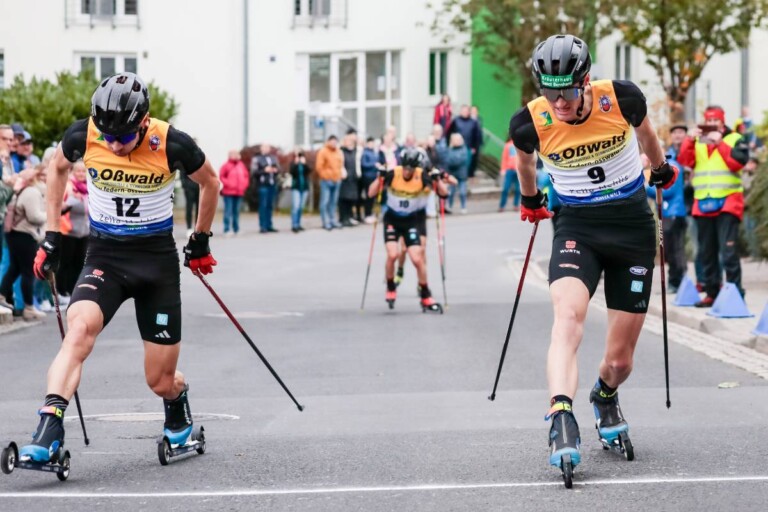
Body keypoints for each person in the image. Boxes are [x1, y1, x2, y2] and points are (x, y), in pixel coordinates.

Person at [21, 72, 219, 464]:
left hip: (155, 263)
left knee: (159, 380)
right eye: (107, 136)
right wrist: (52, 235)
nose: (114, 144)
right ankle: (49, 426)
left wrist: (200, 238)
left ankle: (177, 402)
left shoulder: (172, 142)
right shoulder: (84, 134)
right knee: (79, 329)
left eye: (124, 137)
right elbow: (57, 169)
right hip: (105, 256)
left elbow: (210, 183)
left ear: (143, 122)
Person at [508, 34, 677, 477]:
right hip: (577, 227)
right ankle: (561, 414)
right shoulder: (530, 122)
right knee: (567, 318)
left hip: (631, 226)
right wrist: (530, 200)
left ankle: (604, 396)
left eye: (566, 90)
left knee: (620, 361)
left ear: (584, 81)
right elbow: (524, 163)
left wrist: (660, 169)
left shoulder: (621, 98)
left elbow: (647, 135)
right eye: (549, 91)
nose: (559, 101)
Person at [676, 106, 749, 307]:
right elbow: (685, 161)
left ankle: (735, 295)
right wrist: (689, 140)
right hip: (703, 203)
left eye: (715, 121)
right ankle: (712, 293)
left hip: (728, 202)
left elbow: (737, 163)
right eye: (708, 121)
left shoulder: (734, 139)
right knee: (706, 253)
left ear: (722, 122)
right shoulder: (698, 142)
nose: (711, 124)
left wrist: (719, 143)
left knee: (729, 253)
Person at [367, 147, 450, 312]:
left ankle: (425, 294)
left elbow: (444, 194)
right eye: (405, 168)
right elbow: (371, 193)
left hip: (411, 221)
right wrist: (379, 177)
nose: (407, 171)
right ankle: (391, 286)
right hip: (392, 219)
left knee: (417, 259)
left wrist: (437, 180)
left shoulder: (421, 175)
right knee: (393, 254)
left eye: (410, 169)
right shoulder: (394, 173)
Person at [0, 164, 48, 321]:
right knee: (28, 271)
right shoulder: (32, 192)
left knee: (15, 268)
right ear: (34, 179)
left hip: (14, 234)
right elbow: (34, 217)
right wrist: (48, 215)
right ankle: (29, 307)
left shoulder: (20, 191)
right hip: (25, 235)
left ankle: (2, 295)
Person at [55, 159, 89, 305]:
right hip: (68, 231)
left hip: (83, 231)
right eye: (78, 171)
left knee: (79, 263)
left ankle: (73, 290)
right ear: (73, 172)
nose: (81, 174)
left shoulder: (87, 188)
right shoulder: (69, 187)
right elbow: (59, 207)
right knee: (65, 263)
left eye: (83, 171)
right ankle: (61, 291)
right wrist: (70, 202)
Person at [315, 135, 344, 231]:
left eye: (335, 142)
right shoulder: (323, 151)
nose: (334, 143)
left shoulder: (338, 152)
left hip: (337, 180)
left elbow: (340, 165)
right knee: (325, 202)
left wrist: (339, 175)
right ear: (328, 141)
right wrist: (326, 176)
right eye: (332, 141)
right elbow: (319, 167)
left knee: (333, 202)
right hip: (327, 181)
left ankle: (332, 220)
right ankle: (325, 222)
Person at [219, 150, 249, 237]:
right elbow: (221, 176)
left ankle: (236, 229)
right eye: (234, 154)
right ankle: (226, 229)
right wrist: (229, 184)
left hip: (239, 192)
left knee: (236, 211)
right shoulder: (225, 166)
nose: (236, 155)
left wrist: (244, 185)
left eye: (237, 154)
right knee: (228, 211)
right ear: (230, 155)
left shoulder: (241, 165)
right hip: (228, 192)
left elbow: (246, 176)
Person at [251, 144, 280, 234]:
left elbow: (279, 169)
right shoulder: (257, 159)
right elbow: (254, 172)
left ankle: (269, 225)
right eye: (265, 147)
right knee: (263, 206)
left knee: (270, 206)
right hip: (263, 185)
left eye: (268, 147)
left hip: (272, 184)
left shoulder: (273, 158)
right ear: (261, 149)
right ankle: (263, 226)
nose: (267, 149)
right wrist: (264, 170)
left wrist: (275, 170)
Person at [448, 105, 482, 179]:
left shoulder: (473, 122)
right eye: (463, 111)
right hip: (456, 148)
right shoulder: (456, 121)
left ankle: (465, 179)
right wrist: (450, 144)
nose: (465, 112)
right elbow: (449, 133)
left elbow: (476, 136)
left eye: (466, 111)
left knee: (467, 165)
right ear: (460, 111)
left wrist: (474, 147)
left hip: (469, 147)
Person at [339, 129, 361, 227]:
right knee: (343, 200)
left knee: (350, 200)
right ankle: (343, 218)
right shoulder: (341, 151)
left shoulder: (355, 151)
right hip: (345, 178)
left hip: (353, 178)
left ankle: (348, 218)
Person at [360, 137, 383, 223]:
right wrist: (374, 164)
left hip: (374, 177)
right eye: (370, 143)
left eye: (372, 143)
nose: (371, 145)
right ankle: (367, 214)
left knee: (374, 197)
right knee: (368, 196)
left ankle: (372, 214)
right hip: (367, 177)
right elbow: (364, 164)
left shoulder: (375, 153)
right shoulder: (365, 153)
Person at [445, 132, 469, 214]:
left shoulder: (464, 149)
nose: (457, 141)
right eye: (456, 139)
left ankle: (463, 207)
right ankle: (449, 206)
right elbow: (448, 160)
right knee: (451, 193)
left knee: (462, 192)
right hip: (452, 174)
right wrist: (455, 160)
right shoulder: (450, 149)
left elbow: (461, 160)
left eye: (459, 139)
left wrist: (454, 160)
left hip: (462, 175)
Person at [289, 148, 312, 232]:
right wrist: (296, 163)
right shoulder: (293, 163)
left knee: (301, 207)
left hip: (304, 188)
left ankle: (298, 224)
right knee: (296, 206)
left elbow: (309, 171)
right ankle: (294, 225)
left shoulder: (304, 162)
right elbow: (292, 172)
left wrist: (304, 164)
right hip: (296, 188)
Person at [498, 136, 520, 212]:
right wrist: (503, 169)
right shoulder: (508, 145)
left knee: (518, 189)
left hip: (519, 170)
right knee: (506, 188)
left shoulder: (521, 145)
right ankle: (502, 206)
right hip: (509, 170)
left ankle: (516, 205)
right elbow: (504, 158)